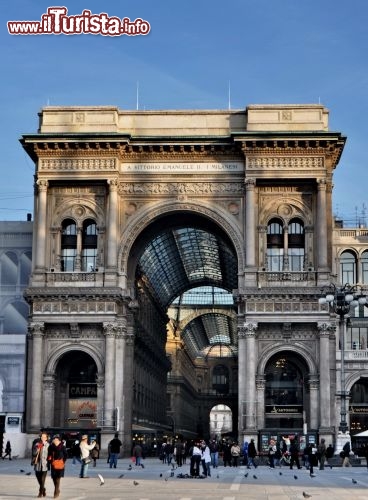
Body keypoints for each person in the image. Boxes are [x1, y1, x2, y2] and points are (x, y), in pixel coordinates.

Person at [48, 434, 67, 499]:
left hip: (60, 465)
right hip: (53, 464)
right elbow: (49, 455)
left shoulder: (62, 447)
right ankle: (58, 489)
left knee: (58, 479)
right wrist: (50, 461)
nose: (55, 441)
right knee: (54, 478)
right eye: (54, 440)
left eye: (57, 440)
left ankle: (55, 492)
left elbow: (66, 455)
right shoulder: (51, 447)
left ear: (59, 440)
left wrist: (63, 461)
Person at [32, 432, 50, 498]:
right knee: (38, 479)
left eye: (44, 437)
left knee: (42, 480)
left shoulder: (48, 445)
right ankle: (43, 489)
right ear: (40, 437)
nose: (43, 438)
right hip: (37, 464)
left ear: (46, 438)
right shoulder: (37, 444)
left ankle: (40, 492)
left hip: (45, 464)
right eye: (42, 437)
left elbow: (50, 454)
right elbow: (33, 453)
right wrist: (37, 448)